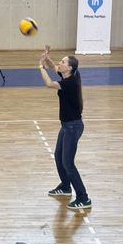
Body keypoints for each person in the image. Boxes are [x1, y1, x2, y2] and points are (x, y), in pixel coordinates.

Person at [39, 45, 91, 210]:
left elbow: (48, 83)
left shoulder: (69, 83)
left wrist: (40, 66)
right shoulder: (71, 73)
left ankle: (84, 197)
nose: (59, 64)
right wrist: (47, 57)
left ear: (69, 67)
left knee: (68, 162)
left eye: (63, 62)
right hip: (67, 125)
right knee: (59, 155)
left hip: (73, 127)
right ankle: (65, 186)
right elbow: (53, 67)